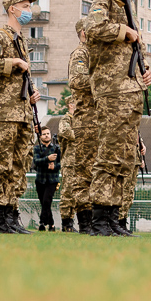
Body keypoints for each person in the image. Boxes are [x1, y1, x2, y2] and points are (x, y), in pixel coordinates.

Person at [85, 0, 151, 236]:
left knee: (124, 155)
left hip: (129, 87)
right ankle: (99, 218)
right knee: (110, 153)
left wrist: (144, 68)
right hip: (112, 89)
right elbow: (93, 27)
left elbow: (134, 46)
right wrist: (123, 31)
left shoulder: (126, 2)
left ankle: (113, 218)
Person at [0, 0, 42, 235]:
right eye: (24, 5)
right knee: (1, 164)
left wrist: (32, 91)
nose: (28, 9)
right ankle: (0, 217)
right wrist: (13, 63)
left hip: (23, 110)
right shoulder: (0, 36)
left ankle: (12, 214)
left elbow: (22, 78)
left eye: (29, 6)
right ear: (12, 9)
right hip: (6, 110)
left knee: (18, 165)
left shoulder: (21, 39)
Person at [60, 19, 95, 234]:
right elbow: (77, 80)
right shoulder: (80, 54)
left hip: (98, 121)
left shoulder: (96, 56)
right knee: (84, 175)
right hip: (85, 121)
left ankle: (97, 220)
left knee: (95, 173)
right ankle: (85, 222)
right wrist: (101, 80)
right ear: (83, 33)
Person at [32, 127, 60, 231]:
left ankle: (42, 223)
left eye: (48, 133)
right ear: (40, 136)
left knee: (47, 201)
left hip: (52, 180)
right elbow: (36, 161)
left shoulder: (56, 148)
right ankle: (51, 224)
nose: (47, 135)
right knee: (43, 203)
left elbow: (61, 163)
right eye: (44, 134)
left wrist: (55, 166)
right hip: (40, 179)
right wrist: (47, 159)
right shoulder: (37, 148)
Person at [57, 99, 77, 231]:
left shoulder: (80, 120)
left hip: (81, 161)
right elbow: (65, 132)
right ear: (71, 105)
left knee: (78, 192)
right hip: (70, 161)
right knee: (68, 192)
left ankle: (74, 219)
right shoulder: (66, 119)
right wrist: (83, 134)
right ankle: (66, 222)